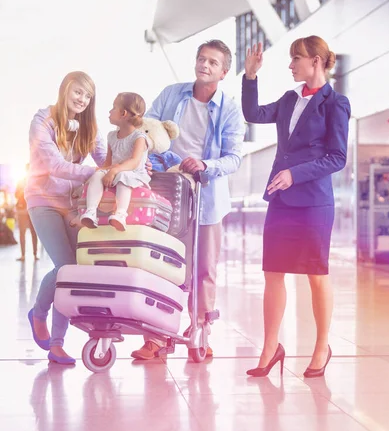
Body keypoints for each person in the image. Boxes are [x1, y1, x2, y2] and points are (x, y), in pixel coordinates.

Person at [242, 35, 350, 378]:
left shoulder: (336, 104)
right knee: (272, 272)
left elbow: (337, 157)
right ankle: (271, 347)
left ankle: (322, 347)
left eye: (296, 59)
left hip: (314, 202)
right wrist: (250, 77)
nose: (291, 65)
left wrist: (295, 173)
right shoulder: (290, 99)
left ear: (316, 62)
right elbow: (253, 113)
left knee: (316, 275)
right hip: (282, 200)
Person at [131, 39, 245, 360]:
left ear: (223, 72)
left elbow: (235, 156)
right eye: (201, 59)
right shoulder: (172, 94)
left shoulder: (230, 109)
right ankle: (156, 337)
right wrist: (152, 155)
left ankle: (200, 332)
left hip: (207, 199)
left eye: (212, 62)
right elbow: (146, 128)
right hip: (167, 194)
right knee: (161, 264)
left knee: (204, 269)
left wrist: (206, 165)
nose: (204, 65)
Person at [25, 71, 107, 365]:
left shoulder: (89, 128)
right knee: (66, 266)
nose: (82, 99)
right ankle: (38, 312)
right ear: (65, 90)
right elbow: (55, 165)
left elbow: (105, 161)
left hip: (72, 204)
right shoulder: (43, 119)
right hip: (42, 200)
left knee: (76, 267)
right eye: (78, 92)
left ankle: (57, 344)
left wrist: (130, 167)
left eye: (88, 95)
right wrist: (94, 174)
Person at [80, 92, 150, 231]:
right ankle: (91, 211)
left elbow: (134, 162)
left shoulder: (139, 137)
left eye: (113, 108)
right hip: (115, 171)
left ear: (123, 113)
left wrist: (114, 170)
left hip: (134, 173)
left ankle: (120, 214)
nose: (109, 111)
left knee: (124, 176)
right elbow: (107, 163)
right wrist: (102, 172)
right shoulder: (111, 136)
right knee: (97, 175)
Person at [15, 164, 39, 261]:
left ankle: (35, 254)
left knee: (34, 232)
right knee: (22, 232)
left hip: (32, 209)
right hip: (22, 211)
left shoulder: (36, 180)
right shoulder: (21, 182)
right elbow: (16, 194)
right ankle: (23, 255)